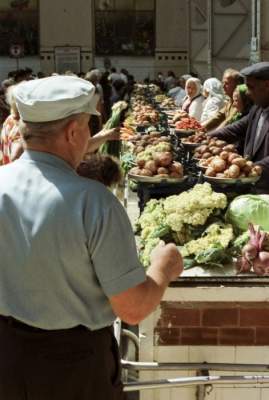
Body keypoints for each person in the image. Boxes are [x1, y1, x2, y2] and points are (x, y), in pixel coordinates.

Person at [0, 75, 183, 399]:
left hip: (8, 357)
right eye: (87, 126)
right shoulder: (93, 202)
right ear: (73, 132)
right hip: (74, 366)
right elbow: (133, 308)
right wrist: (164, 266)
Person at [208, 62, 269, 193]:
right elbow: (236, 128)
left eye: (251, 87)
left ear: (267, 85)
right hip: (252, 186)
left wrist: (249, 167)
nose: (247, 93)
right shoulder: (257, 109)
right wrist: (207, 137)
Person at [0, 84, 24, 164]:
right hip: (16, 171)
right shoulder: (21, 125)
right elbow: (15, 156)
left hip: (7, 168)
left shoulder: (10, 118)